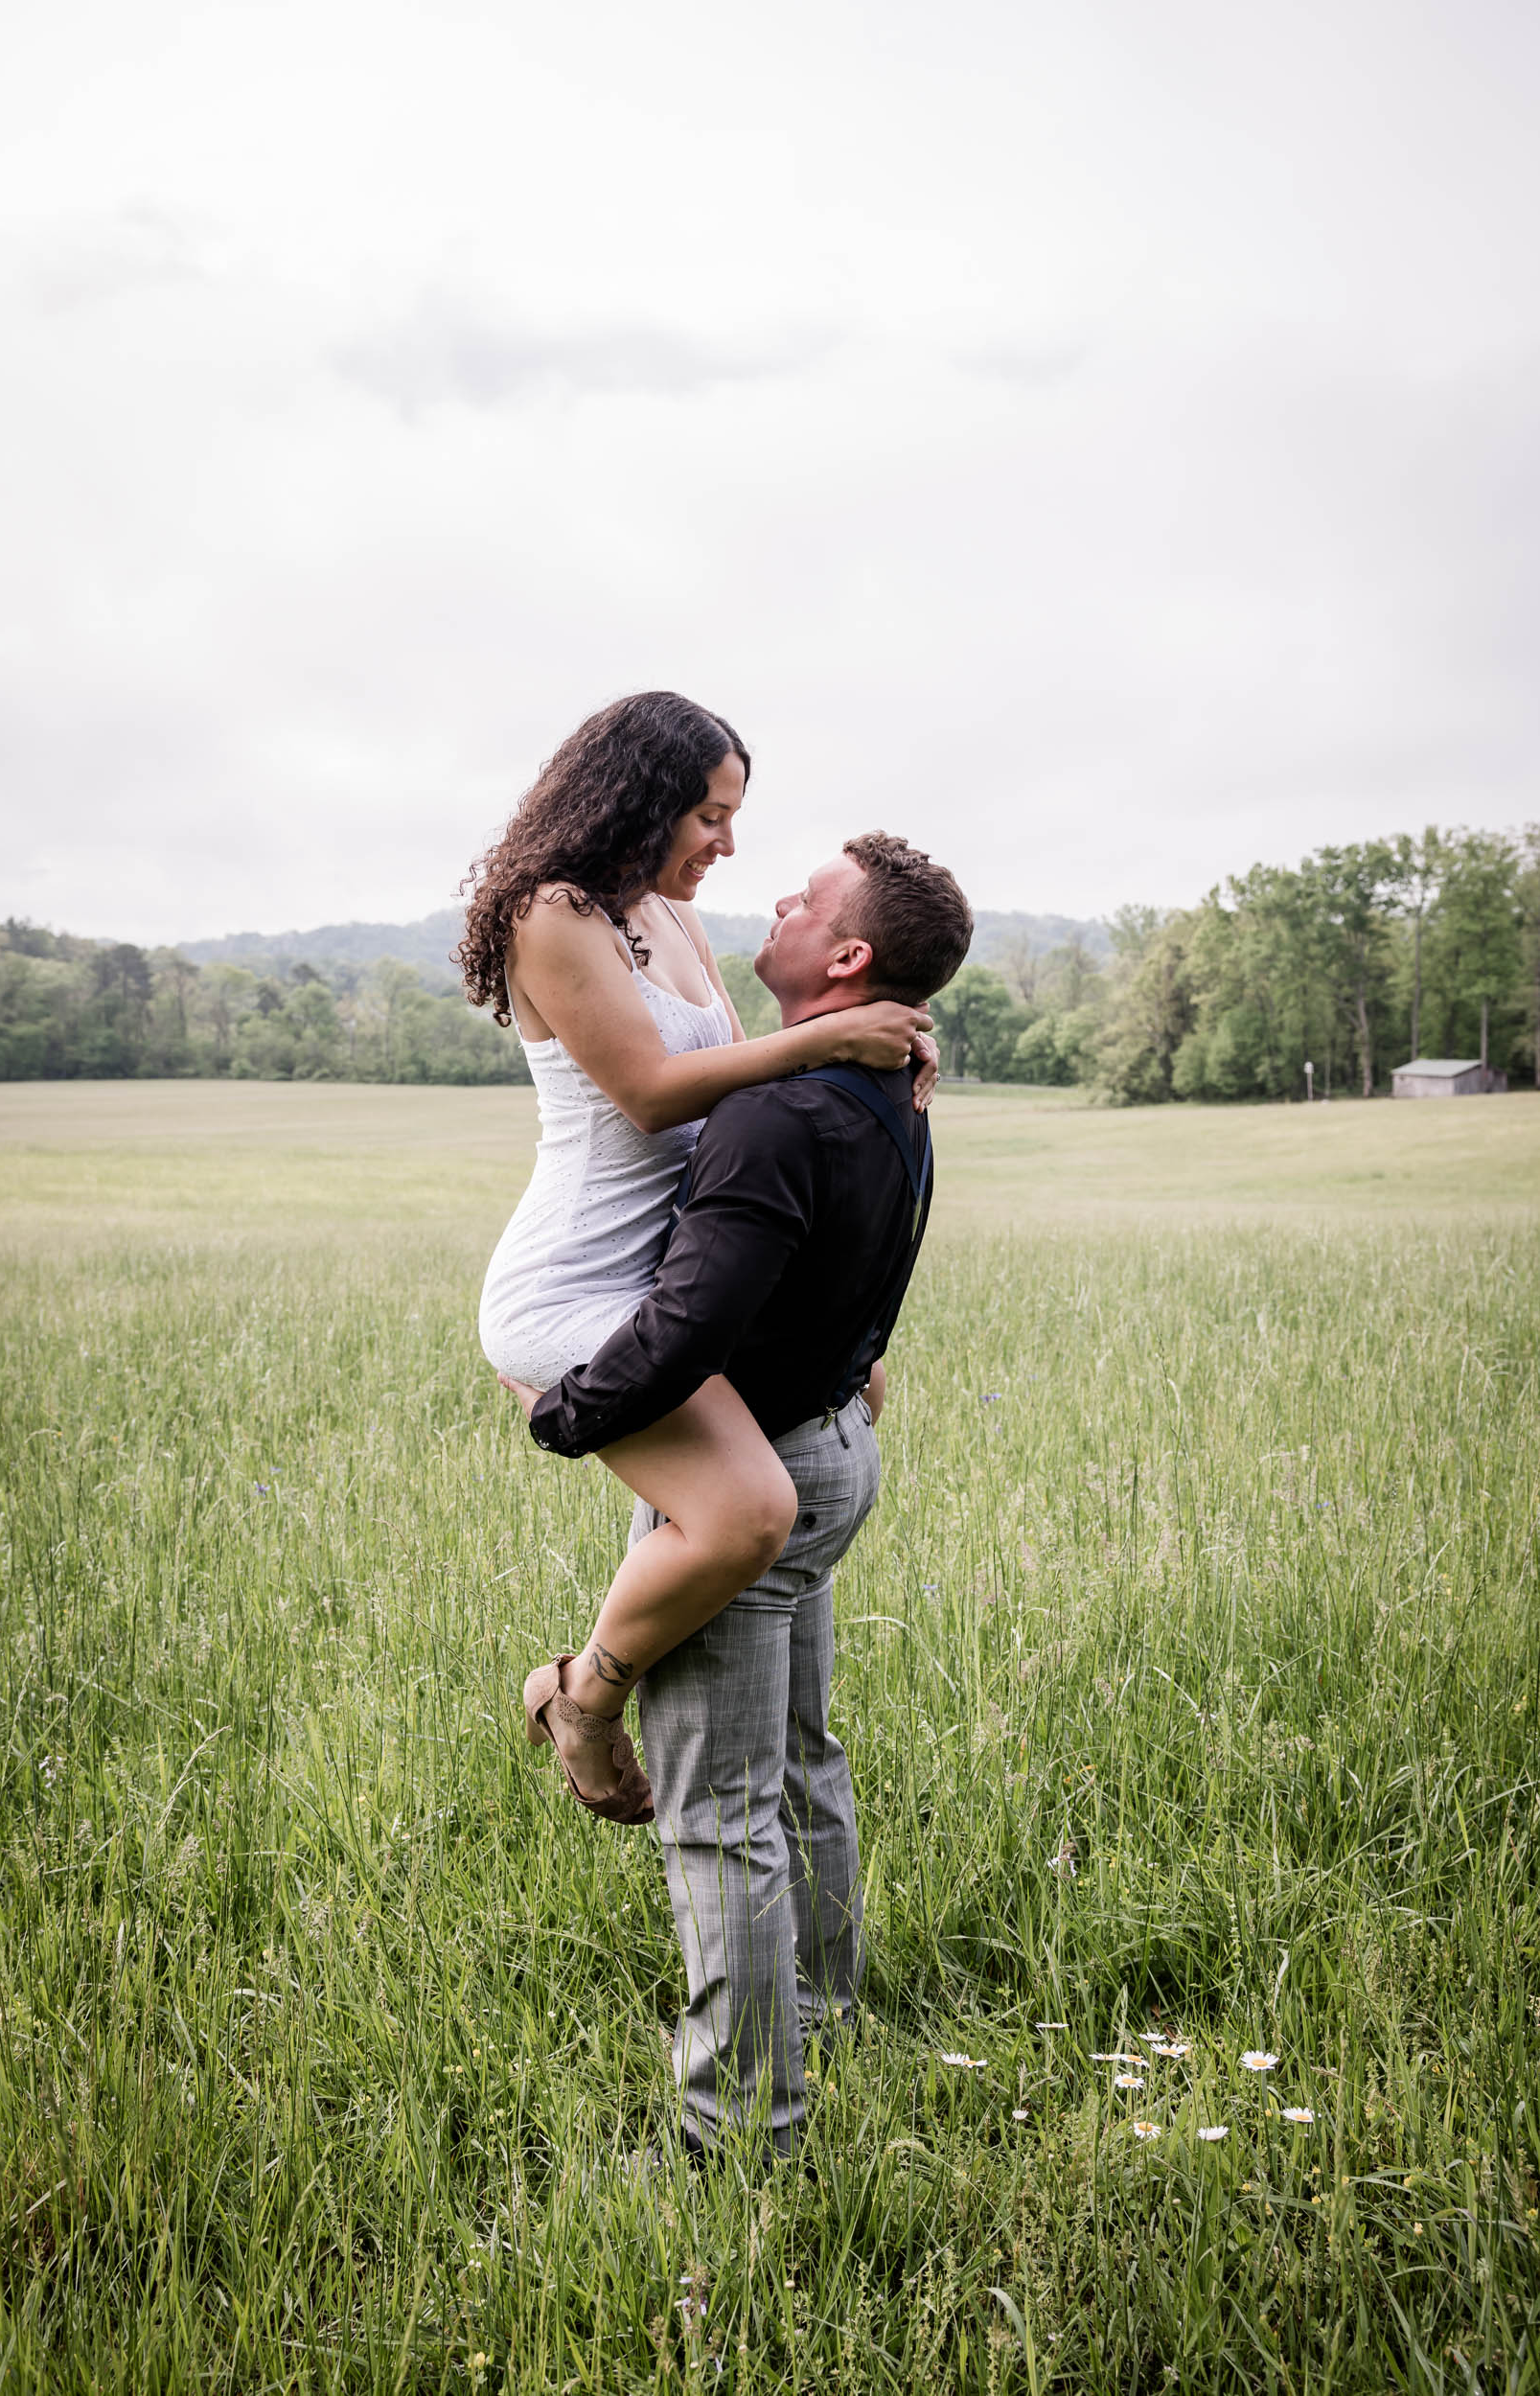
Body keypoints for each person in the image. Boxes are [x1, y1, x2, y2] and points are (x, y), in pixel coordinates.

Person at [506, 830, 973, 2155]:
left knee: (719, 1822)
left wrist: (568, 1411)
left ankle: (732, 2136)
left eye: (804, 898)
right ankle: (818, 2009)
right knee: (802, 1763)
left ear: (846, 955)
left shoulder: (775, 1108)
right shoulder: (879, 1083)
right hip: (828, 1453)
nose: (770, 891)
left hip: (759, 1468)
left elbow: (692, 1316)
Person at [461, 693, 937, 1824]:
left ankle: (594, 1693)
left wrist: (890, 1044)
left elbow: (748, 1090)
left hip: (668, 1283)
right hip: (573, 1284)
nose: (725, 846)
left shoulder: (669, 916)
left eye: (730, 820)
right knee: (742, 1513)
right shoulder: (553, 914)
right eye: (710, 818)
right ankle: (584, 1696)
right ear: (640, 800)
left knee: (760, 1503)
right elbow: (649, 1093)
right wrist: (831, 1032)